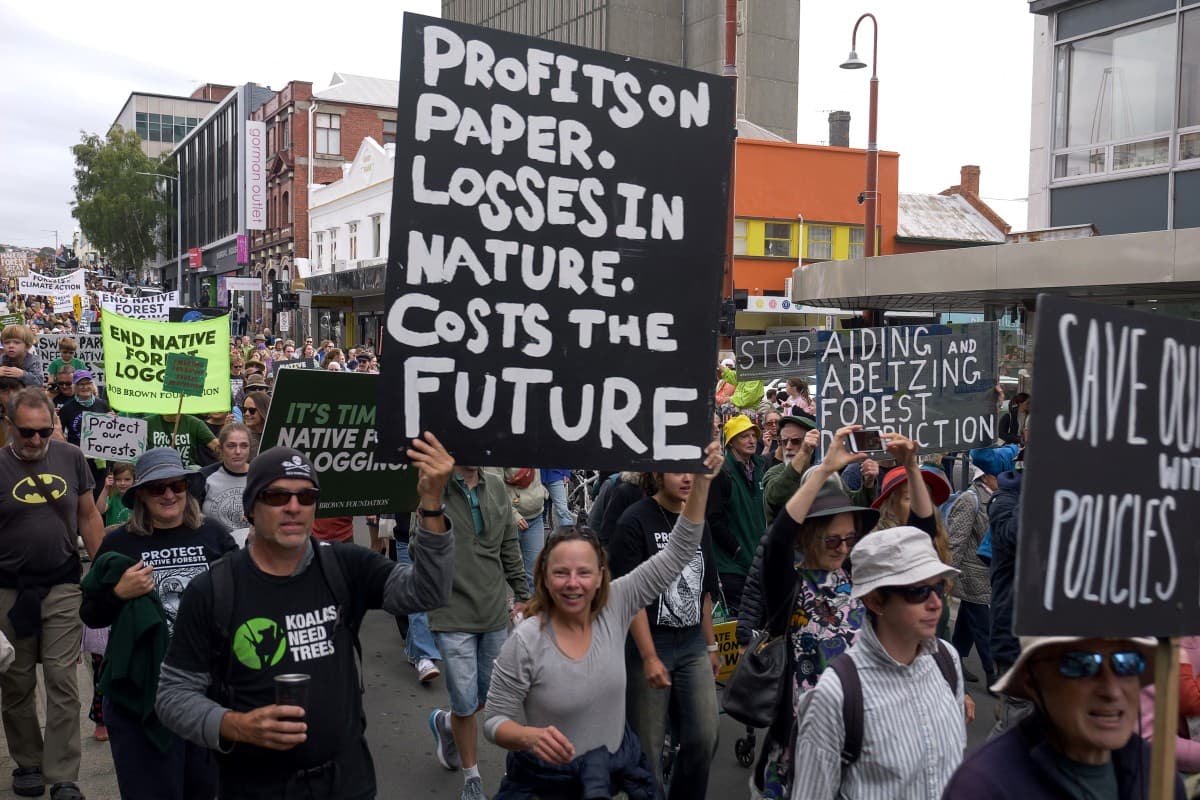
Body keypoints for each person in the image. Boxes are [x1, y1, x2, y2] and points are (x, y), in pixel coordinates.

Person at [155, 438, 457, 799]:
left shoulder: (344, 565)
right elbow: (173, 695)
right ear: (251, 507)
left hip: (347, 782)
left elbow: (428, 593)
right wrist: (234, 725)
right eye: (277, 496)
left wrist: (432, 505)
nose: (294, 507)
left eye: (307, 496)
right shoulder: (213, 589)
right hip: (257, 788)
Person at [483, 442, 724, 799]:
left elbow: (679, 552)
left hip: (608, 777)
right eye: (561, 572)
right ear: (544, 578)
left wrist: (702, 482)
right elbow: (493, 721)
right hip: (548, 784)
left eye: (584, 572)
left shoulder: (617, 603)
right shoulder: (526, 639)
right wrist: (527, 736)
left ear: (600, 577)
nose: (573, 583)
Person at [79, 447, 237, 799]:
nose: (168, 495)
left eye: (177, 486)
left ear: (187, 489)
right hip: (142, 694)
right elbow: (90, 614)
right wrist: (118, 593)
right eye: (157, 488)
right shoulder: (119, 542)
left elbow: (242, 599)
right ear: (141, 496)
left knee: (204, 789)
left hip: (204, 690)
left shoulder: (213, 534)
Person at [789, 526, 966, 799]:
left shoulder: (947, 660)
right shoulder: (838, 692)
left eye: (939, 587)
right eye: (918, 592)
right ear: (875, 600)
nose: (935, 603)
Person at [752, 427, 881, 799]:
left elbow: (923, 532)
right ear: (807, 537)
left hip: (858, 723)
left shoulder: (857, 577)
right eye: (832, 539)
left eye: (849, 539)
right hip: (801, 731)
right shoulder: (788, 585)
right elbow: (778, 537)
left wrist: (910, 467)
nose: (842, 548)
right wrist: (824, 469)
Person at [0, 388, 105, 800]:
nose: (36, 440)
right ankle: (28, 761)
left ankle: (63, 773)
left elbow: (88, 515)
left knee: (63, 679)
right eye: (27, 432)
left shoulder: (71, 457)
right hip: (9, 589)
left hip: (63, 583)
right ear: (10, 425)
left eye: (44, 431)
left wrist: (103, 575)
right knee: (17, 680)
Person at [944, 636, 1183, 800]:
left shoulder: (1156, 773)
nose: (1111, 690)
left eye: (1127, 662)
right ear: (1033, 681)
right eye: (1081, 665)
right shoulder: (985, 787)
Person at [608, 470, 721, 799]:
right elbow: (631, 598)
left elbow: (703, 590)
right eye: (677, 470)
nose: (687, 478)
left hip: (692, 643)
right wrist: (648, 656)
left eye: (692, 471)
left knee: (705, 737)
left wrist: (711, 645)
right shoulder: (634, 520)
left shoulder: (698, 521)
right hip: (649, 642)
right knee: (647, 750)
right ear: (657, 474)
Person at [422, 463, 530, 800]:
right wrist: (432, 515)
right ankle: (472, 780)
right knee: (465, 702)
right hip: (450, 612)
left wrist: (522, 594)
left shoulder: (496, 487)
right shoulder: (434, 488)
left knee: (487, 697)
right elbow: (416, 549)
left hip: (492, 610)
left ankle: (445, 723)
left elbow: (509, 545)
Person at [946, 445, 1017, 687]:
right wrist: (947, 576)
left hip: (987, 575)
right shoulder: (970, 499)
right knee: (984, 626)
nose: (1004, 480)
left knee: (967, 622)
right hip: (971, 575)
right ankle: (993, 673)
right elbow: (955, 542)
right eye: (999, 476)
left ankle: (955, 659)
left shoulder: (1001, 498)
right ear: (986, 476)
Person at [706, 414, 766, 615]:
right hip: (733, 568)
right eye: (744, 436)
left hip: (757, 564)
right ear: (731, 442)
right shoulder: (721, 473)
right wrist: (736, 550)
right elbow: (714, 520)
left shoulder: (760, 468)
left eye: (753, 435)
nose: (751, 440)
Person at [487, 467, 549, 593]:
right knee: (507, 572)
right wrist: (514, 515)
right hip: (508, 521)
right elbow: (493, 488)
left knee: (536, 571)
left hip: (535, 516)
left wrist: (541, 493)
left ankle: (532, 604)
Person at [761, 411, 819, 523]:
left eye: (795, 441)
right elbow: (776, 495)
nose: (788, 447)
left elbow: (849, 500)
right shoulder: (774, 473)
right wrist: (803, 452)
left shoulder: (821, 472)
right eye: (784, 442)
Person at [199, 423, 252, 536]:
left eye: (244, 446)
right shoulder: (204, 476)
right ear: (221, 448)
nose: (238, 451)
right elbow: (192, 515)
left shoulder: (260, 475)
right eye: (231, 446)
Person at [144, 411, 220, 469]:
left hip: (186, 473)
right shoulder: (146, 423)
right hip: (156, 473)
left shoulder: (194, 423)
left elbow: (217, 447)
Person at [57, 370, 107, 447]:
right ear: (75, 387)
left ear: (93, 385)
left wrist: (113, 419)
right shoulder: (66, 409)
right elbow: (59, 433)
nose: (85, 387)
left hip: (99, 450)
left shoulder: (103, 405)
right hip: (76, 452)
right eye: (81, 384)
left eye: (88, 383)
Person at [96, 461, 136, 527]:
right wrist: (106, 488)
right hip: (114, 533)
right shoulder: (112, 497)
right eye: (118, 479)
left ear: (134, 480)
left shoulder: (138, 498)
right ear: (113, 480)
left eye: (127, 479)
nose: (122, 483)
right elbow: (99, 511)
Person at [241, 391, 269, 458]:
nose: (246, 414)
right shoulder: (240, 436)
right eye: (244, 410)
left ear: (263, 410)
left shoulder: (278, 436)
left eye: (252, 410)